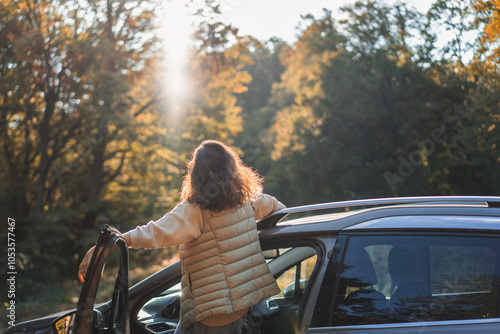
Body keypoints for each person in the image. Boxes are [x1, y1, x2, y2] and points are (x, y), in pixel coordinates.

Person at [79, 140, 285, 334]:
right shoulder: (249, 202)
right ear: (233, 170)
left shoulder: (193, 211)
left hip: (209, 316)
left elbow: (154, 233)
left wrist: (107, 246)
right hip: (241, 308)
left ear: (197, 174)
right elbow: (280, 210)